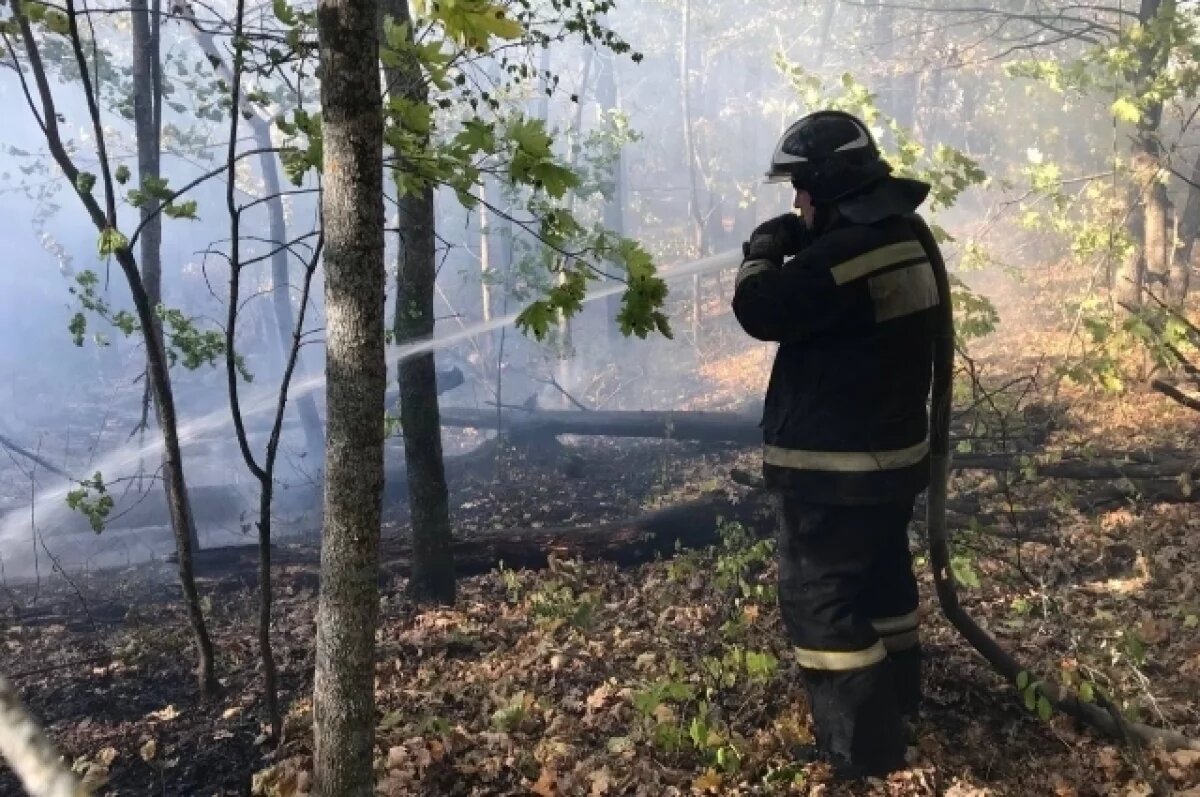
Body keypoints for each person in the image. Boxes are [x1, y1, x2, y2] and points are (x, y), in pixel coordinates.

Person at [731, 109, 944, 778]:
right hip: (890, 462)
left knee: (820, 609)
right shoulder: (903, 234)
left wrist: (764, 246)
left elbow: (759, 308)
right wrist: (810, 232)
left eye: (802, 190)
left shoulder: (839, 259)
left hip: (835, 475)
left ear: (829, 182)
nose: (796, 202)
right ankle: (902, 703)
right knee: (883, 585)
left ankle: (866, 751)